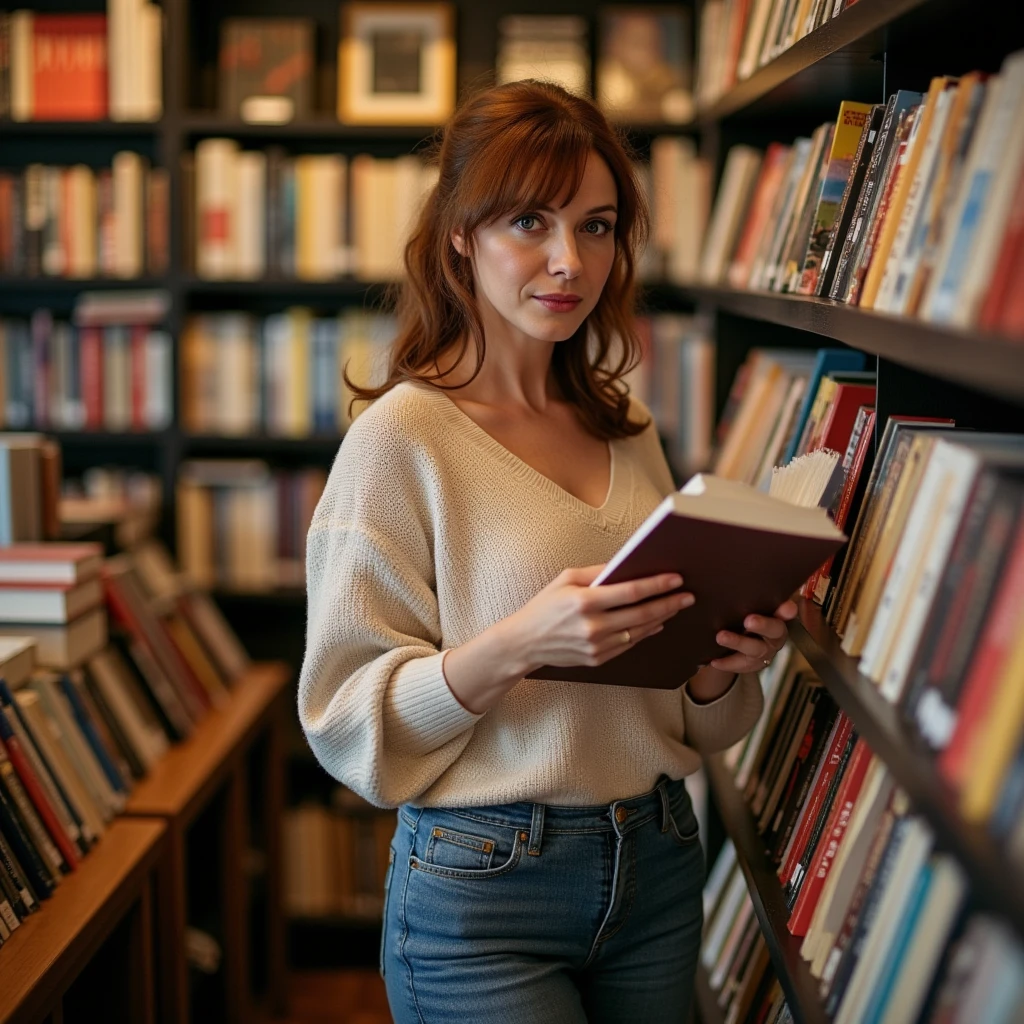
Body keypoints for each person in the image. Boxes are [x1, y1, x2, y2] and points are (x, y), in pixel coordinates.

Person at [298, 80, 796, 1024]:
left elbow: (698, 727)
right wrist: (518, 644)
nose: (570, 260)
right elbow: (342, 721)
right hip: (484, 884)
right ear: (460, 234)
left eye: (598, 226)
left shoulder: (629, 425)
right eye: (530, 220)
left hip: (656, 861)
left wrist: (716, 672)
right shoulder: (402, 441)